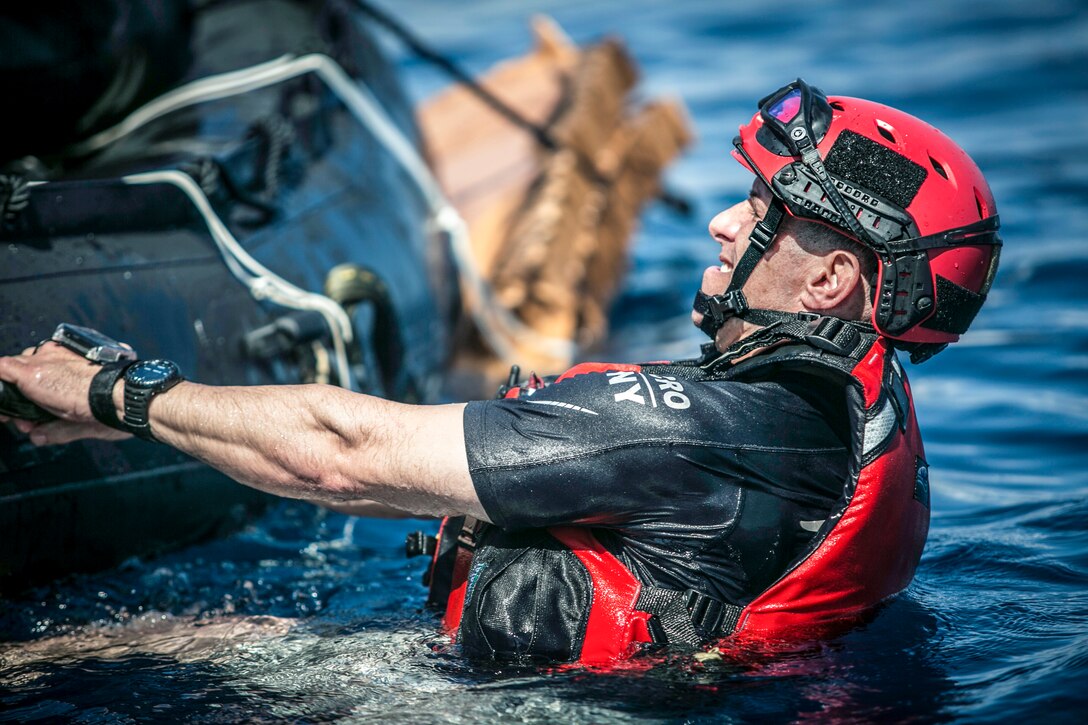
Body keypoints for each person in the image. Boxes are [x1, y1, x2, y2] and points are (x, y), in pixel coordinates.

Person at [0, 79, 1001, 665]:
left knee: (95, 653)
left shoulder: (691, 430)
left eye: (762, 211)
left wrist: (118, 392)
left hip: (518, 705)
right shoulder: (834, 416)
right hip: (646, 696)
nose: (723, 220)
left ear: (829, 279)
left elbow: (340, 457)